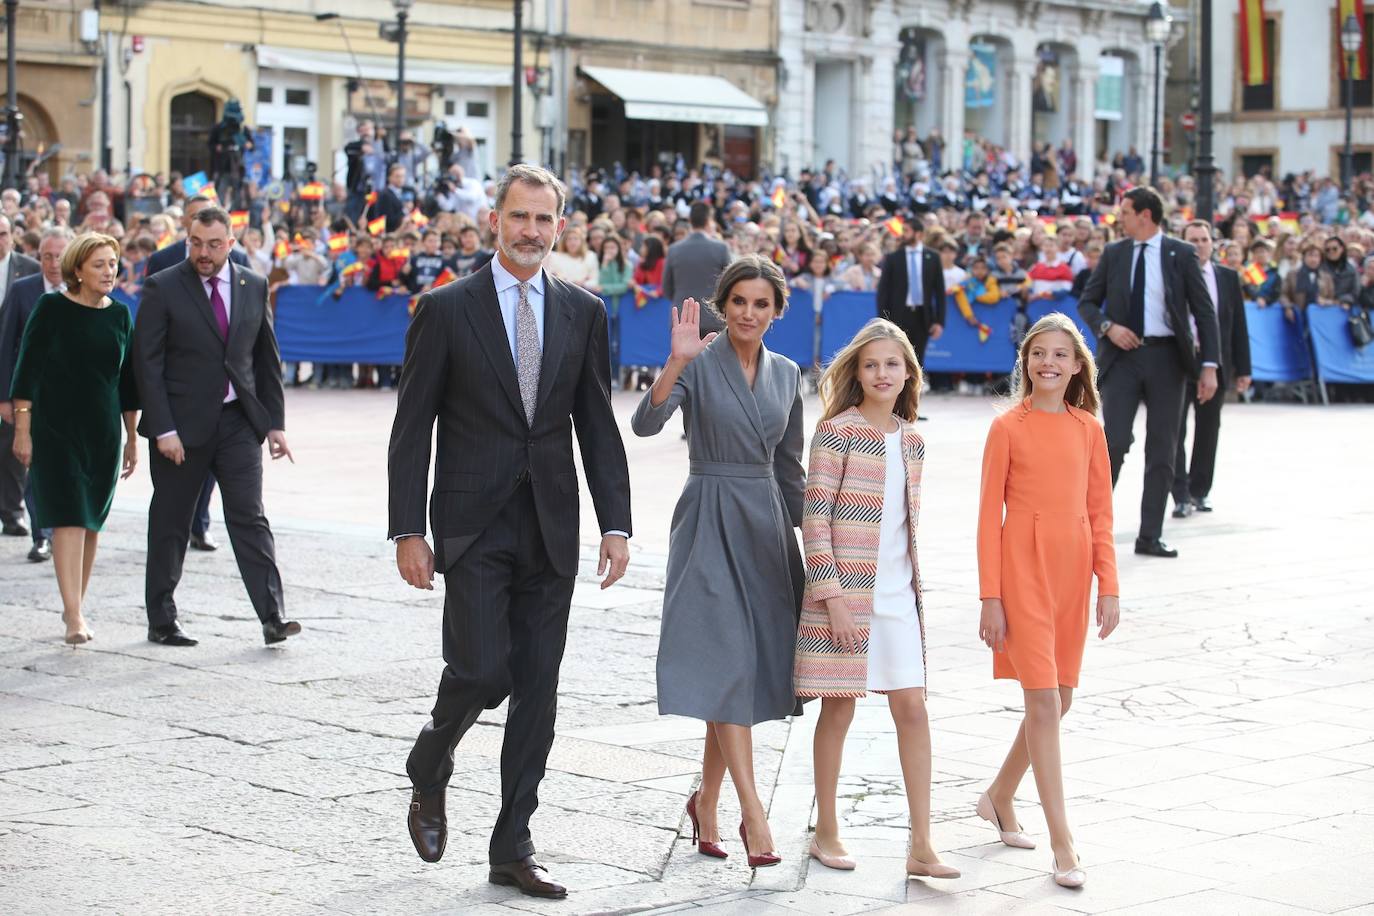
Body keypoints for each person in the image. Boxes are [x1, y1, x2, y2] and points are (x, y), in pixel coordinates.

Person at [389, 164, 631, 901]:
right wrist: (407, 529)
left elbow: (596, 423)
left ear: (560, 226)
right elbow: (412, 426)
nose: (531, 231)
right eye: (519, 216)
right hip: (471, 524)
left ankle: (513, 843)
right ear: (494, 220)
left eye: (543, 219)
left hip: (551, 524)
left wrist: (615, 522)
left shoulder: (584, 311)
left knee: (538, 690)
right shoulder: (445, 308)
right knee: (482, 671)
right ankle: (430, 762)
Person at [631, 256, 804, 869]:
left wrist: (816, 550)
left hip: (765, 528)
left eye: (761, 304)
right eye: (738, 302)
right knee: (727, 661)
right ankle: (753, 814)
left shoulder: (788, 374)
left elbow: (789, 467)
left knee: (739, 673)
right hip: (707, 517)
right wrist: (676, 361)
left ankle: (705, 802)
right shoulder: (699, 362)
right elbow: (646, 424)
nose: (748, 313)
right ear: (722, 306)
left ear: (776, 311)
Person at [793, 317, 959, 880]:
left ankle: (922, 843)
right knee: (838, 708)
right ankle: (826, 829)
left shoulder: (912, 440)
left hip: (898, 598)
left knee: (912, 708)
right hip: (844, 595)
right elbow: (815, 521)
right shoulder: (836, 432)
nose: (882, 373)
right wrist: (832, 597)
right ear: (857, 373)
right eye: (871, 364)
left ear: (909, 372)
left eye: (892, 364)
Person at [975, 313, 1120, 890]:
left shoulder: (1089, 430)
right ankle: (1063, 843)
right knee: (1042, 702)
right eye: (1039, 353)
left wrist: (1109, 584)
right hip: (1022, 571)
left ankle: (999, 795)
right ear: (1026, 362)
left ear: (1078, 365)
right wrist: (990, 597)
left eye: (1061, 354)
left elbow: (1102, 512)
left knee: (1059, 700)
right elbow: (987, 518)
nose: (1049, 363)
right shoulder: (1007, 428)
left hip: (1072, 575)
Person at [133, 205, 297, 648]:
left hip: (238, 423)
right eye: (196, 244)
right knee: (171, 522)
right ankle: (161, 619)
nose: (203, 253)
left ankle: (272, 616)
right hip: (180, 429)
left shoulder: (253, 284)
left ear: (230, 243)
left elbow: (266, 358)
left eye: (213, 245)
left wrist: (274, 424)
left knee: (250, 517)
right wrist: (163, 429)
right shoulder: (163, 286)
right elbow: (147, 364)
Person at [8, 232, 139, 643]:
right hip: (56, 430)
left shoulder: (120, 315)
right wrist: (23, 431)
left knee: (91, 521)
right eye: (99, 264)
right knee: (69, 516)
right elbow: (26, 373)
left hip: (103, 433)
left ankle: (74, 607)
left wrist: (132, 438)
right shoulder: (51, 308)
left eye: (112, 263)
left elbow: (128, 382)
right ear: (77, 270)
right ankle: (74, 616)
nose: (109, 271)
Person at [1076, 187, 1220, 559]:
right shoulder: (1114, 253)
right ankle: (1087, 531)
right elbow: (1088, 302)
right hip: (1122, 359)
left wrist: (1209, 366)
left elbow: (1204, 312)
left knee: (1163, 447)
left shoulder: (1181, 253)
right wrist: (1108, 327)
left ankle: (1150, 536)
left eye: (1124, 211)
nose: (1118, 217)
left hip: (1168, 359)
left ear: (1144, 215)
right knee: (1113, 442)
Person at [145, 194, 251, 551]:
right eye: (195, 222)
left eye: (214, 241)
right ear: (186, 226)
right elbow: (150, 349)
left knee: (242, 506)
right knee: (172, 502)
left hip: (227, 408)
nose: (205, 249)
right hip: (182, 403)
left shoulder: (241, 266)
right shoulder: (162, 265)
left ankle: (201, 523)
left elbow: (254, 338)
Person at [0, 225, 72, 561]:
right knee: (37, 464)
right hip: (32, 395)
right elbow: (6, 344)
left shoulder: (84, 287)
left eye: (60, 256)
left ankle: (68, 531)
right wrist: (4, 397)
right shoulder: (23, 289)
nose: (53, 263)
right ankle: (42, 534)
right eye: (47, 256)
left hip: (75, 396)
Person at [1172, 221, 1251, 517]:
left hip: (1215, 360)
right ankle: (1179, 493)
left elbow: (1238, 324)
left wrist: (1243, 368)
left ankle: (1199, 490)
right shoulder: (1172, 275)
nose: (1199, 245)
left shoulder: (1227, 277)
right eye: (1192, 240)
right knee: (1174, 429)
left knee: (1208, 428)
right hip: (1179, 360)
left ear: (1212, 243)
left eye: (1204, 239)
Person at [0, 212, 41, 539]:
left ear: (13, 235)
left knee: (13, 445)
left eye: (2, 233)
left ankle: (13, 512)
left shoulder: (30, 270)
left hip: (13, 369)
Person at [876, 217, 944, 377]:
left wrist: (939, 321)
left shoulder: (933, 257)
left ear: (918, 234)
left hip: (923, 315)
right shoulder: (893, 258)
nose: (903, 234)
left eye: (907, 230)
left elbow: (939, 292)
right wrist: (883, 319)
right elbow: (883, 292)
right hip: (898, 314)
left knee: (918, 356)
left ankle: (914, 387)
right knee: (896, 354)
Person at [662, 202, 732, 337]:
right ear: (708, 221)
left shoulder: (674, 250)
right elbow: (730, 283)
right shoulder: (721, 248)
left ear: (690, 221)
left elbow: (667, 288)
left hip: (683, 317)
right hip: (713, 318)